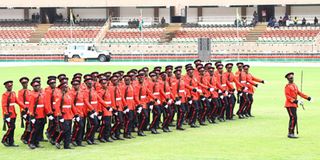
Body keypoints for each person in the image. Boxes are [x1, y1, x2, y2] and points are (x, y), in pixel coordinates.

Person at [284, 72, 312, 138]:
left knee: (293, 118)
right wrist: (297, 101)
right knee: (293, 118)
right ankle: (290, 133)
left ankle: (291, 132)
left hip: (294, 105)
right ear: (288, 79)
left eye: (292, 77)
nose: (292, 79)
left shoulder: (294, 85)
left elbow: (299, 93)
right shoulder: (287, 86)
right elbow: (288, 97)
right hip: (289, 105)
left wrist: (308, 98)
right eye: (290, 78)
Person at [28, 80, 52, 149]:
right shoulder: (32, 95)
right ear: (33, 87)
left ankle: (37, 142)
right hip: (36, 115)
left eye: (38, 86)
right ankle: (31, 142)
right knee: (34, 130)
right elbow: (31, 106)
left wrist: (48, 113)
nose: (37, 87)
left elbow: (45, 105)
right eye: (35, 86)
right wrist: (32, 116)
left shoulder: (42, 94)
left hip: (42, 115)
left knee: (39, 130)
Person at [54, 83, 78, 149]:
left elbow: (72, 105)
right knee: (65, 130)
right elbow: (57, 107)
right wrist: (60, 116)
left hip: (69, 115)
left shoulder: (68, 95)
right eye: (64, 87)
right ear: (61, 88)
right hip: (63, 116)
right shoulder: (59, 96)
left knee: (68, 131)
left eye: (66, 87)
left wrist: (76, 114)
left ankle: (66, 145)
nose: (66, 88)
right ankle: (57, 141)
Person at [2, 81, 25, 147]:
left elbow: (18, 101)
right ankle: (4, 139)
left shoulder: (13, 93)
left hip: (13, 114)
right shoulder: (5, 95)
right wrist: (6, 114)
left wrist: (25, 107)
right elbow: (4, 105)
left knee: (12, 128)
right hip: (8, 115)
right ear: (6, 87)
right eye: (9, 86)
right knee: (11, 127)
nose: (10, 87)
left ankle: (11, 142)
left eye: (11, 86)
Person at [18, 77, 32, 144]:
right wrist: (23, 112)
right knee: (28, 125)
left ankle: (28, 137)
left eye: (26, 83)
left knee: (31, 124)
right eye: (23, 83)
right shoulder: (20, 92)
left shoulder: (30, 91)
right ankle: (24, 137)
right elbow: (20, 102)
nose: (25, 84)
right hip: (25, 111)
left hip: (30, 110)